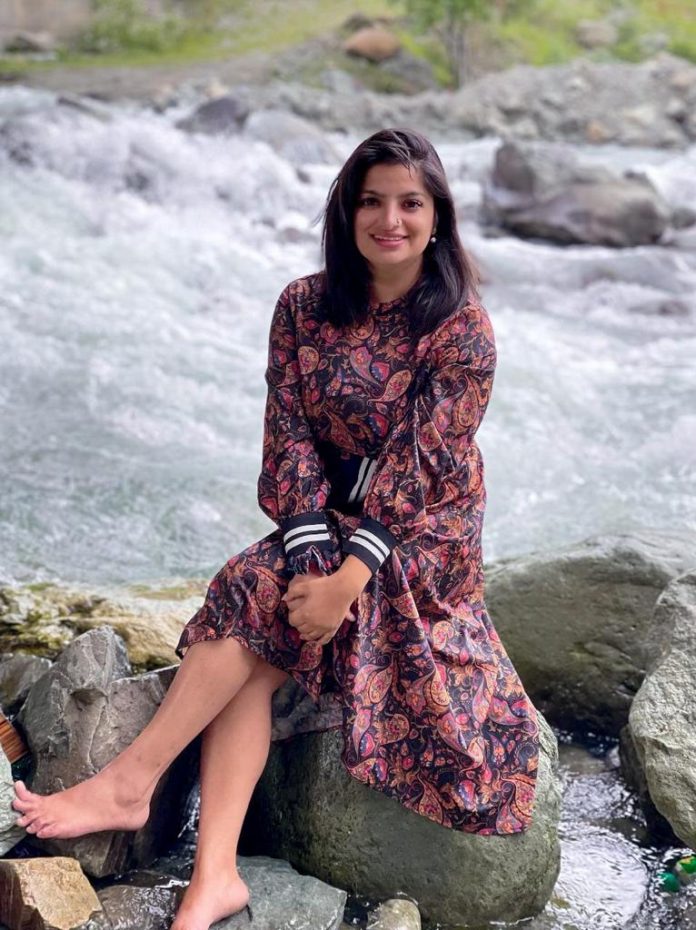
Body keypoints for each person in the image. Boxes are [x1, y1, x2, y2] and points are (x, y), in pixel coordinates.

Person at [12, 128, 540, 930]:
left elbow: (418, 472)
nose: (390, 220)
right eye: (372, 201)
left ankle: (132, 783)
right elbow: (288, 435)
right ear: (346, 211)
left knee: (250, 599)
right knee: (262, 610)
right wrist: (309, 559)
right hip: (325, 518)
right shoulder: (302, 305)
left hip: (423, 535)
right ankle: (215, 875)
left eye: (410, 203)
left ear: (438, 217)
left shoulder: (461, 329)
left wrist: (345, 585)